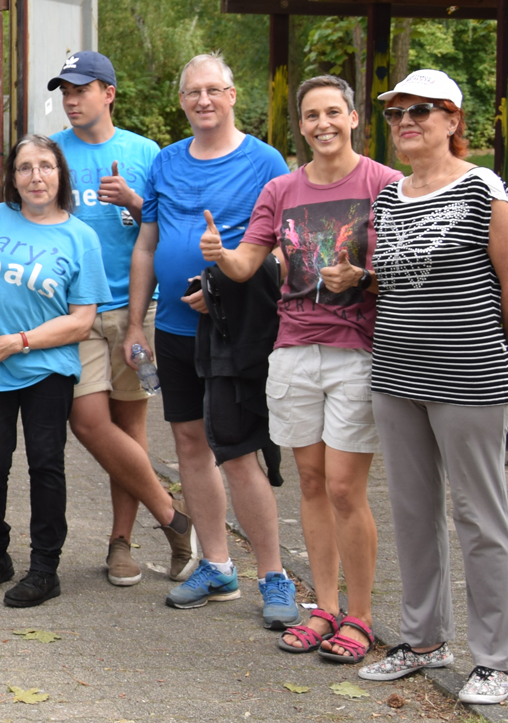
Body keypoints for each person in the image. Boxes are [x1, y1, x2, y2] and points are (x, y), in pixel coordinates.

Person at [202, 74, 400, 659]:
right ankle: (327, 609)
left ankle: (361, 616)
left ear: (355, 117)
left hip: (356, 353)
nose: (323, 125)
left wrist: (360, 278)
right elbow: (247, 265)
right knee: (311, 483)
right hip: (293, 351)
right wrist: (221, 255)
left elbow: (402, 274)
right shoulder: (283, 189)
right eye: (311, 116)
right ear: (301, 125)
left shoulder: (384, 186)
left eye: (333, 112)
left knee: (344, 487)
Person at [354, 70, 508, 706]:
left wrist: (502, 370)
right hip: (397, 375)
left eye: (422, 110)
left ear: (453, 120)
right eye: (398, 111)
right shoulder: (390, 195)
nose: (407, 121)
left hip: (472, 377)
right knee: (411, 510)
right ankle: (424, 640)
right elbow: (397, 282)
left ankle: (496, 659)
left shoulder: (485, 190)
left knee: (480, 515)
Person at [123, 53, 298, 628]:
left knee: (239, 451)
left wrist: (224, 286)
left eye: (213, 91)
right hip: (172, 329)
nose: (203, 100)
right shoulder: (166, 162)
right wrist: (134, 323)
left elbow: (279, 247)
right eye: (193, 92)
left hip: (232, 331)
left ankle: (274, 576)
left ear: (232, 95)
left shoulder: (264, 161)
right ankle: (217, 566)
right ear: (182, 101)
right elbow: (147, 244)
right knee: (189, 445)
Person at [0, 134, 105, 608]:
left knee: (45, 466)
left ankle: (45, 569)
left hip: (46, 367)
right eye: (25, 167)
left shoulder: (80, 237)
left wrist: (23, 342)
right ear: (12, 177)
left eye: (46, 166)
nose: (36, 177)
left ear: (60, 174)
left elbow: (82, 319)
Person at [48, 50, 196, 589]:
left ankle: (121, 544)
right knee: (88, 422)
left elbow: (165, 230)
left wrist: (134, 202)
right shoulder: (51, 153)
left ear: (108, 93)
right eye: (64, 90)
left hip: (134, 309)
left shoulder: (143, 152)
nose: (71, 99)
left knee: (130, 430)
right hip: (76, 313)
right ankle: (174, 517)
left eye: (81, 89)